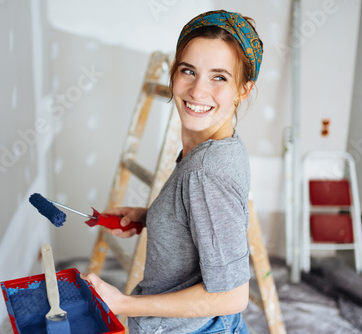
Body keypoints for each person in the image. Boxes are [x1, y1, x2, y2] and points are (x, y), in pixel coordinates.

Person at [81, 9, 263, 333]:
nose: (197, 90)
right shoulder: (220, 147)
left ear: (243, 90)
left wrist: (123, 304)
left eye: (219, 77)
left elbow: (232, 296)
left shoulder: (206, 172)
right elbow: (201, 220)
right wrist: (152, 216)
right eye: (188, 70)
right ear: (174, 74)